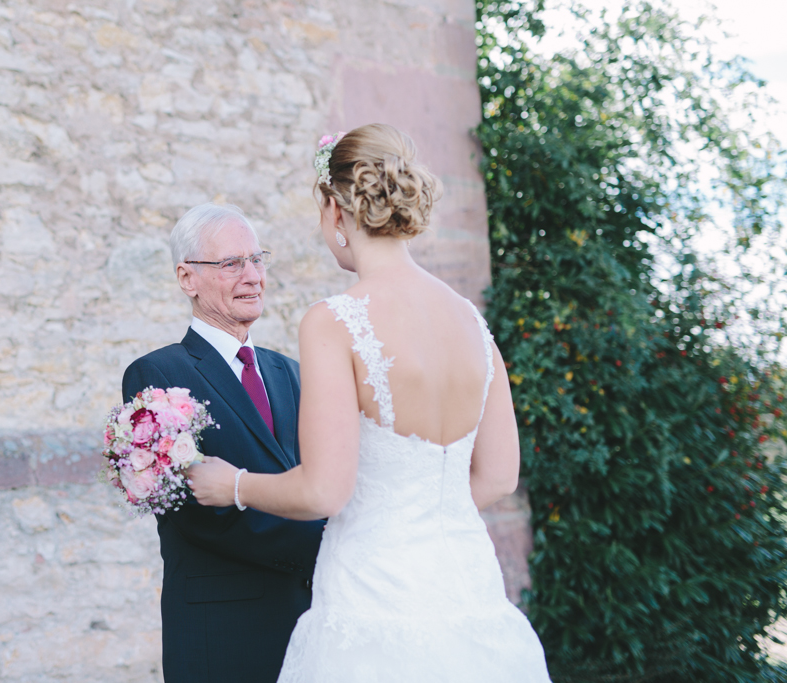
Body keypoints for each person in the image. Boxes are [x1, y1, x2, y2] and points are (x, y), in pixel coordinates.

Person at [187, 124, 552, 682]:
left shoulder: (336, 321)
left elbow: (323, 490)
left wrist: (232, 484)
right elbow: (500, 476)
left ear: (337, 212)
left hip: (371, 595)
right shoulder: (473, 323)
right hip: (468, 591)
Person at [121, 202, 325, 683]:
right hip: (223, 629)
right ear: (186, 277)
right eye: (232, 263)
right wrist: (331, 547)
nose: (253, 276)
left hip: (309, 620)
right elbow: (197, 511)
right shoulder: (156, 375)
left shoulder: (290, 373)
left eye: (258, 260)